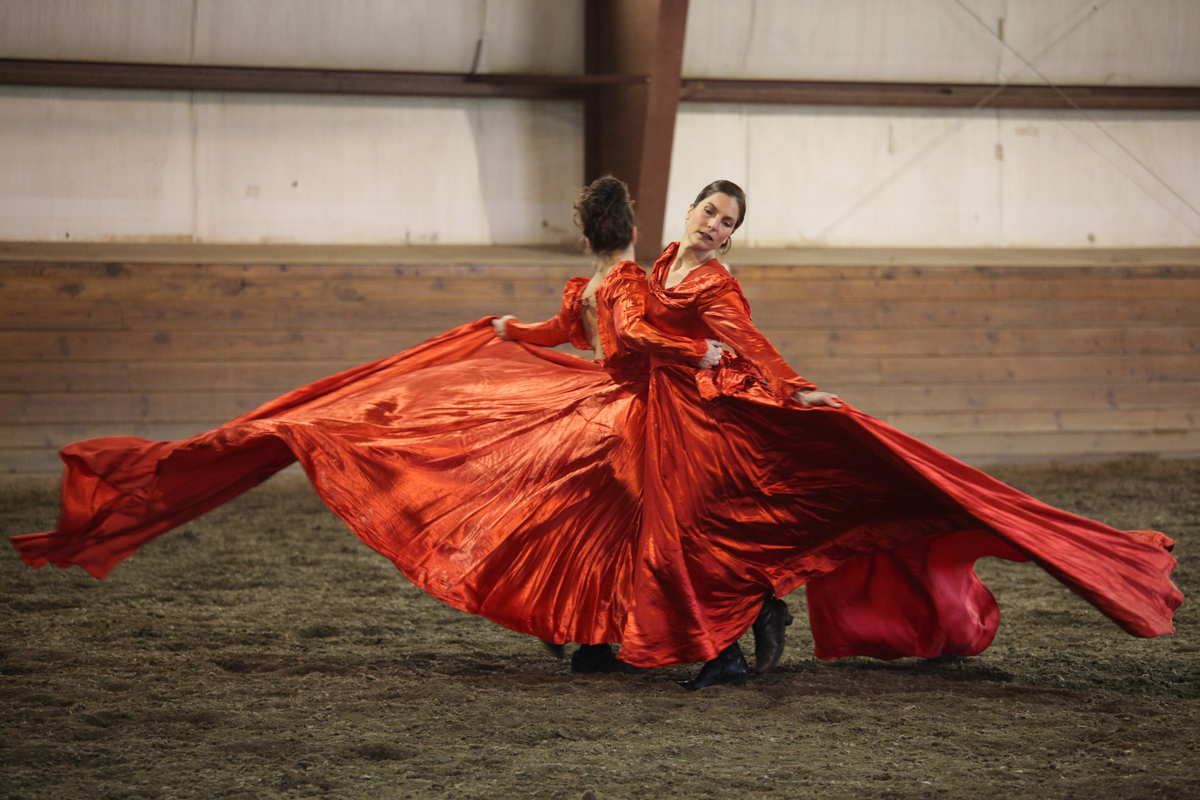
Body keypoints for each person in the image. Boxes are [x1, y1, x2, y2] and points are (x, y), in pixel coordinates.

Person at [600, 178, 1182, 687]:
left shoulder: (716, 284)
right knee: (681, 525)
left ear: (730, 237)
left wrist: (797, 388)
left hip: (710, 422)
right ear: (691, 210)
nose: (714, 225)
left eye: (726, 222)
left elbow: (752, 344)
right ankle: (748, 615)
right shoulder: (665, 261)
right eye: (710, 212)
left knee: (693, 530)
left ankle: (726, 645)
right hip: (667, 415)